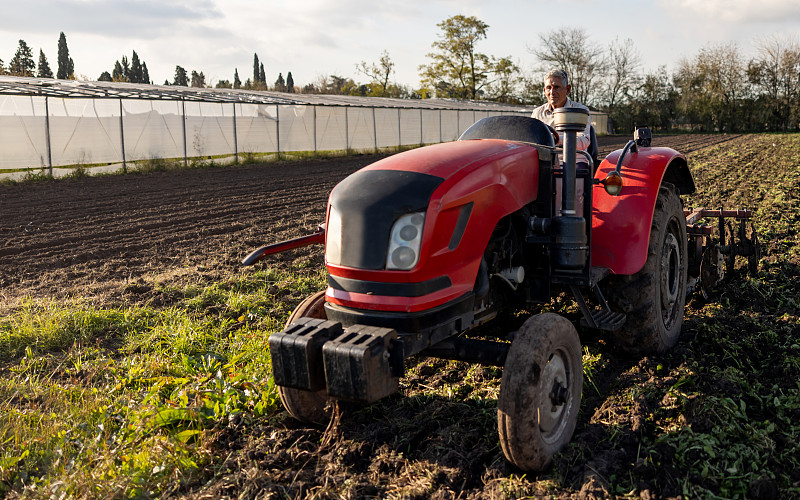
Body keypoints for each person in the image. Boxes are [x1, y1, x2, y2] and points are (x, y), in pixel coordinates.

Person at [531, 69, 591, 151]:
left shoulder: (579, 111)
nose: (552, 92)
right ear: (544, 91)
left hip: (574, 160)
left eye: (556, 87)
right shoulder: (537, 113)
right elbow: (531, 138)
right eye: (549, 88)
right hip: (546, 161)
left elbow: (584, 141)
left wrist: (557, 139)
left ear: (568, 90)